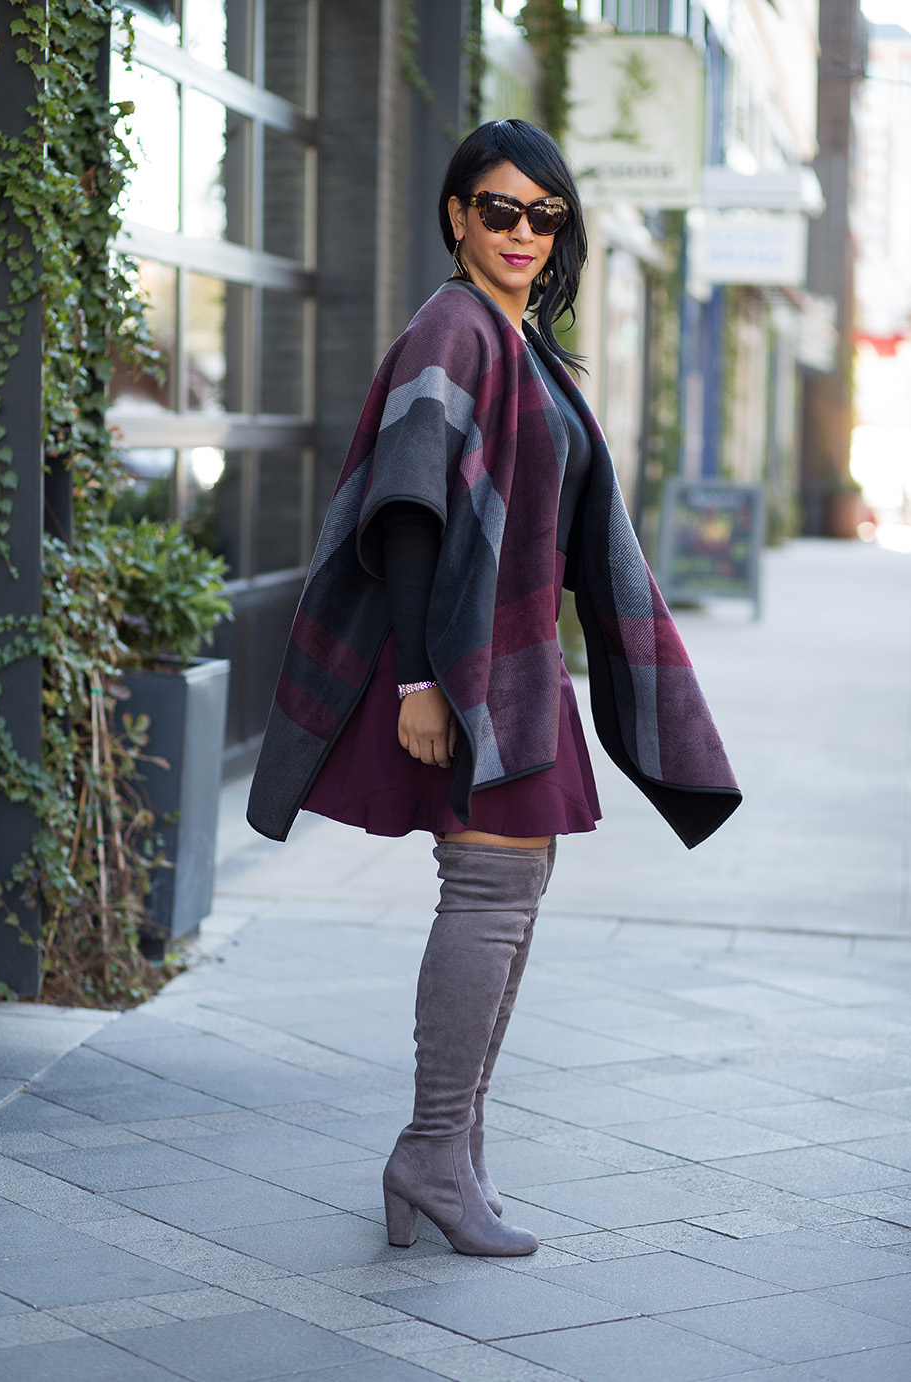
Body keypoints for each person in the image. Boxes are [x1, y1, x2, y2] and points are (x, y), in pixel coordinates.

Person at [247, 119, 741, 1257]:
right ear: (457, 216)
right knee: (487, 892)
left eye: (543, 214)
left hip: (513, 667)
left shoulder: (520, 338)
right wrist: (422, 676)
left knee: (508, 891)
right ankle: (430, 1148)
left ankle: (452, 1149)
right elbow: (409, 514)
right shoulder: (453, 328)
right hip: (459, 671)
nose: (521, 231)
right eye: (498, 209)